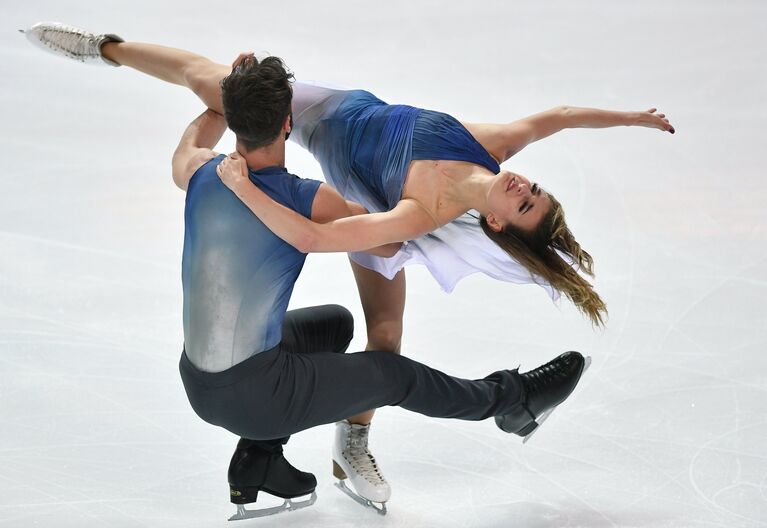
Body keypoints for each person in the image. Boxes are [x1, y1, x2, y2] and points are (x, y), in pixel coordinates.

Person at [23, 21, 612, 513]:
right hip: (256, 391)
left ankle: (260, 459)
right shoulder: (309, 198)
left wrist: (226, 104)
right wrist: (426, 213)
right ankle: (507, 402)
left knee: (333, 325)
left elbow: (194, 125)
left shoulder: (197, 171)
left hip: (198, 378)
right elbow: (372, 246)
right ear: (288, 123)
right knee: (391, 372)